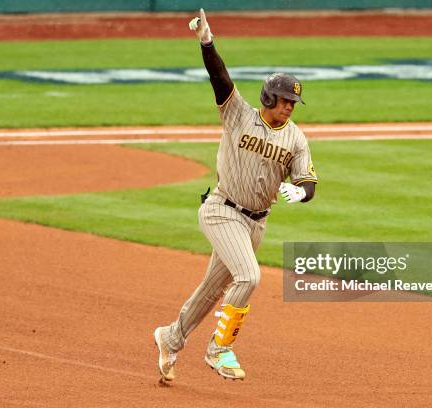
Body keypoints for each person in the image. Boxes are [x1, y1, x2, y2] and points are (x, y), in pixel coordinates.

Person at [154, 8, 318, 382]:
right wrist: (207, 42)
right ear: (267, 97)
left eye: (293, 103)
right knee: (249, 276)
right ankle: (218, 349)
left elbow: (308, 180)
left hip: (255, 225)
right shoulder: (238, 114)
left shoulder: (296, 137)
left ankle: (170, 337)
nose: (289, 108)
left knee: (212, 290)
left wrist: (302, 192)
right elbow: (219, 76)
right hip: (221, 210)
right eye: (283, 101)